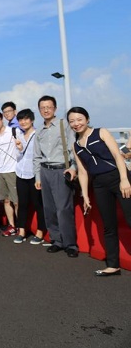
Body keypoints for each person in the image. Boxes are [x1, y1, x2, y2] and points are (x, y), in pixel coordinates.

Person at [69, 107, 131, 276]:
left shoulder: (101, 132)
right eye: (72, 121)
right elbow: (83, 172)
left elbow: (118, 156)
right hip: (99, 185)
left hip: (118, 178)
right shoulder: (76, 145)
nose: (76, 123)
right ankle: (113, 265)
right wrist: (85, 196)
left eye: (79, 119)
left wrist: (124, 179)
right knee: (108, 226)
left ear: (87, 119)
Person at [33, 95, 78, 258]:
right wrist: (38, 177)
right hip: (45, 171)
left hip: (61, 170)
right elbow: (37, 156)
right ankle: (56, 240)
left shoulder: (64, 125)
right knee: (49, 208)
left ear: (55, 109)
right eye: (42, 108)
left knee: (63, 209)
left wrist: (73, 167)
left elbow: (74, 149)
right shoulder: (39, 131)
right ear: (39, 110)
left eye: (49, 107)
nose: (46, 110)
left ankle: (70, 244)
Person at [13, 109, 47, 245]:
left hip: (34, 174)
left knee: (38, 204)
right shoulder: (18, 135)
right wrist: (20, 149)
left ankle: (40, 232)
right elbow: (18, 156)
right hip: (20, 173)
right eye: (20, 120)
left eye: (26, 119)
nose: (23, 122)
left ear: (32, 120)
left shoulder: (38, 134)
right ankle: (21, 231)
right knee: (22, 204)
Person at [0, 110, 20, 236]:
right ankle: (12, 226)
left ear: (2, 120)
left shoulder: (13, 131)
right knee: (6, 201)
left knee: (16, 201)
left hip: (12, 170)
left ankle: (21, 226)